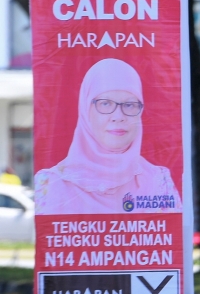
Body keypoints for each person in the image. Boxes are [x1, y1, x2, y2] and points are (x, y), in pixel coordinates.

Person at [35, 58, 180, 215]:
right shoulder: (50, 185)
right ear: (86, 111)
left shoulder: (158, 182)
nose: (118, 116)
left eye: (130, 105)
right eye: (105, 104)